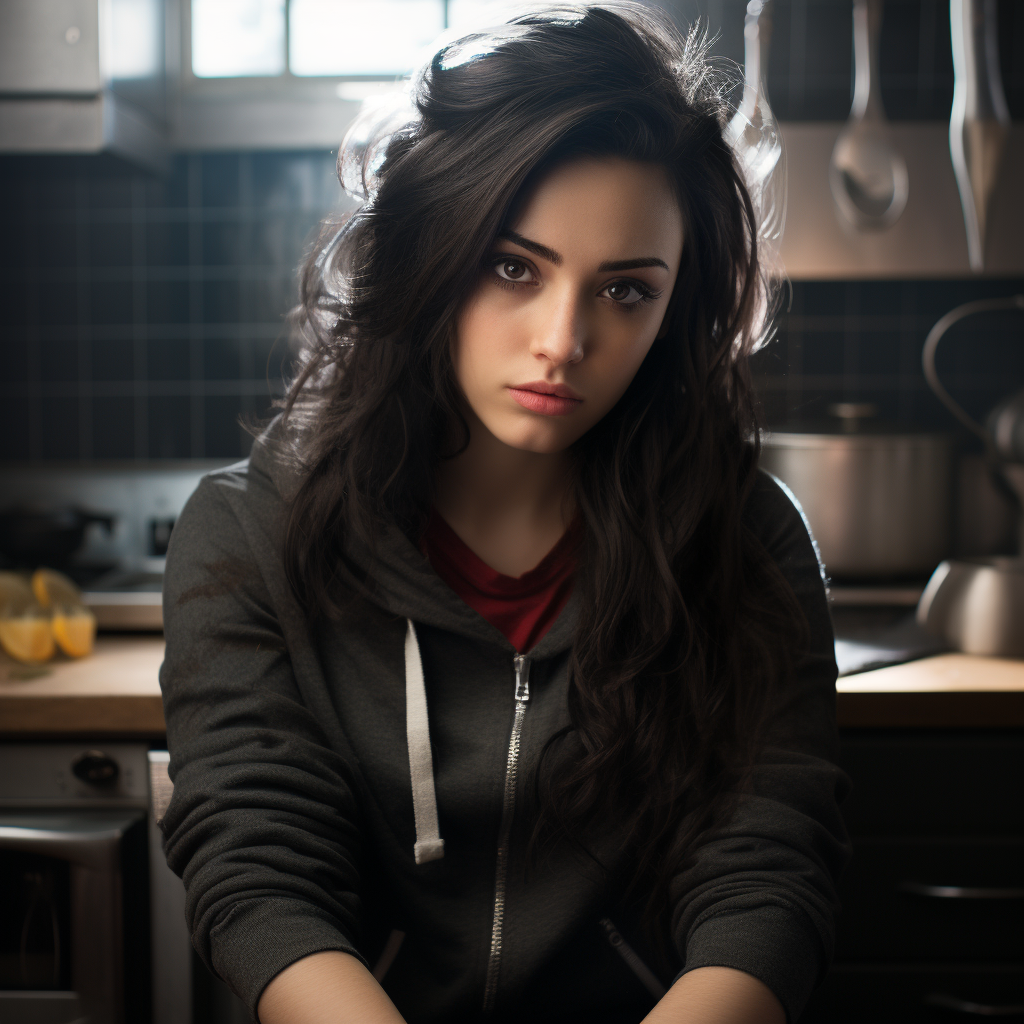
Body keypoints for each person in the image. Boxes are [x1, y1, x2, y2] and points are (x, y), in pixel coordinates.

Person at [158, 4, 851, 1023]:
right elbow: (261, 876)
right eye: (513, 267)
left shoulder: (746, 539)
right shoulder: (248, 533)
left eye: (625, 291)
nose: (562, 340)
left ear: (676, 306)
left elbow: (764, 868)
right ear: (431, 253)